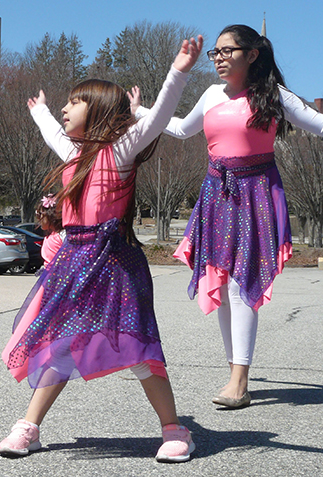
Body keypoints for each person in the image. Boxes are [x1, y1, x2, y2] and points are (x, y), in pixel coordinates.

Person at [0, 36, 203, 463]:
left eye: (75, 101)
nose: (65, 108)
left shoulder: (121, 150)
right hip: (73, 262)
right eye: (65, 104)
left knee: (139, 347)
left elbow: (162, 113)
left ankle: (174, 428)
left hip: (114, 263)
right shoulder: (72, 152)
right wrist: (40, 113)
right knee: (59, 344)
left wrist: (179, 71)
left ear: (100, 111)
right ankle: (29, 426)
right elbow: (54, 132)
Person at [131, 25, 323, 409]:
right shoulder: (210, 94)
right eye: (214, 52)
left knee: (240, 285)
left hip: (256, 195)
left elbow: (319, 125)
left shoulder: (273, 95)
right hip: (216, 196)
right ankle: (235, 369)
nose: (218, 57)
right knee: (217, 289)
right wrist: (140, 110)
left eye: (227, 51)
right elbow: (181, 129)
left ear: (252, 55)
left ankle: (239, 379)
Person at [35, 194, 65, 268]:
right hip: (49, 275)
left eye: (40, 215)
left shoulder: (63, 235)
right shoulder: (48, 237)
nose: (39, 219)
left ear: (51, 216)